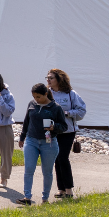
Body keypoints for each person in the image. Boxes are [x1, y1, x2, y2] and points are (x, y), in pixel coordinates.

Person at [18, 83, 69, 205]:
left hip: (49, 143)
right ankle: (27, 197)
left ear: (46, 94)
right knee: (29, 169)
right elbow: (26, 121)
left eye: (39, 97)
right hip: (31, 140)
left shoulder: (56, 108)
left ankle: (45, 198)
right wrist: (22, 137)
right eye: (34, 96)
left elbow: (64, 126)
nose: (36, 99)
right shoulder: (31, 104)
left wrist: (54, 127)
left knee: (47, 171)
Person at [46, 68, 86, 199]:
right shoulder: (47, 93)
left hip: (68, 131)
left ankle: (69, 189)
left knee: (63, 157)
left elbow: (81, 110)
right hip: (53, 130)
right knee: (56, 159)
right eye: (47, 78)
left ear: (59, 79)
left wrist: (67, 113)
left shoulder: (71, 94)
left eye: (51, 78)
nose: (48, 80)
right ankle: (61, 189)